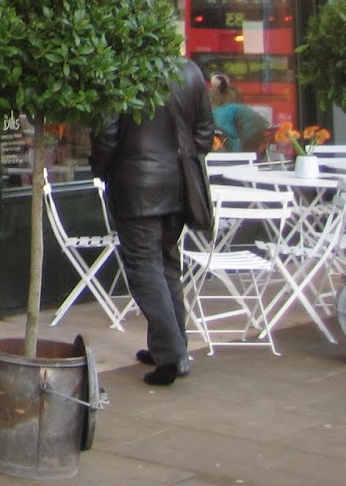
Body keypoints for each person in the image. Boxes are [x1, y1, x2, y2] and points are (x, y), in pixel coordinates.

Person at [90, 57, 215, 386]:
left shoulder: (121, 69)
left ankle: (171, 355)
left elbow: (106, 135)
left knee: (145, 267)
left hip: (136, 185)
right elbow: (204, 135)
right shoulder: (190, 72)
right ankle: (173, 346)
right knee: (168, 265)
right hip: (178, 185)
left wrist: (102, 169)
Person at [208, 72, 272, 155]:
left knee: (247, 152)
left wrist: (236, 157)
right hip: (258, 127)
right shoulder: (222, 110)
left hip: (254, 130)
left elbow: (233, 138)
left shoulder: (220, 117)